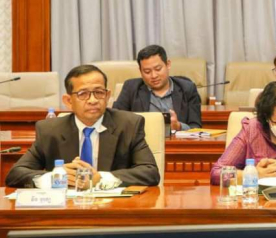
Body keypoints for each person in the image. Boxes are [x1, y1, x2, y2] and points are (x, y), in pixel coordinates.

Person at [5, 65, 160, 189]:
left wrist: (102, 178)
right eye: (83, 94)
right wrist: (55, 177)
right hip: (65, 210)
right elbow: (15, 175)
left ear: (107, 96)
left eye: (99, 92)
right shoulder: (49, 130)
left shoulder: (128, 125)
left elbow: (150, 172)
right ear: (68, 101)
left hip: (113, 208)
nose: (93, 100)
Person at [113, 45, 202, 130]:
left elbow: (196, 127)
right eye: (147, 71)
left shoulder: (188, 89)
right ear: (140, 71)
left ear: (168, 64)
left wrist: (179, 126)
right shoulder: (131, 88)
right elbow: (115, 120)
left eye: (158, 69)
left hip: (176, 140)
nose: (154, 75)